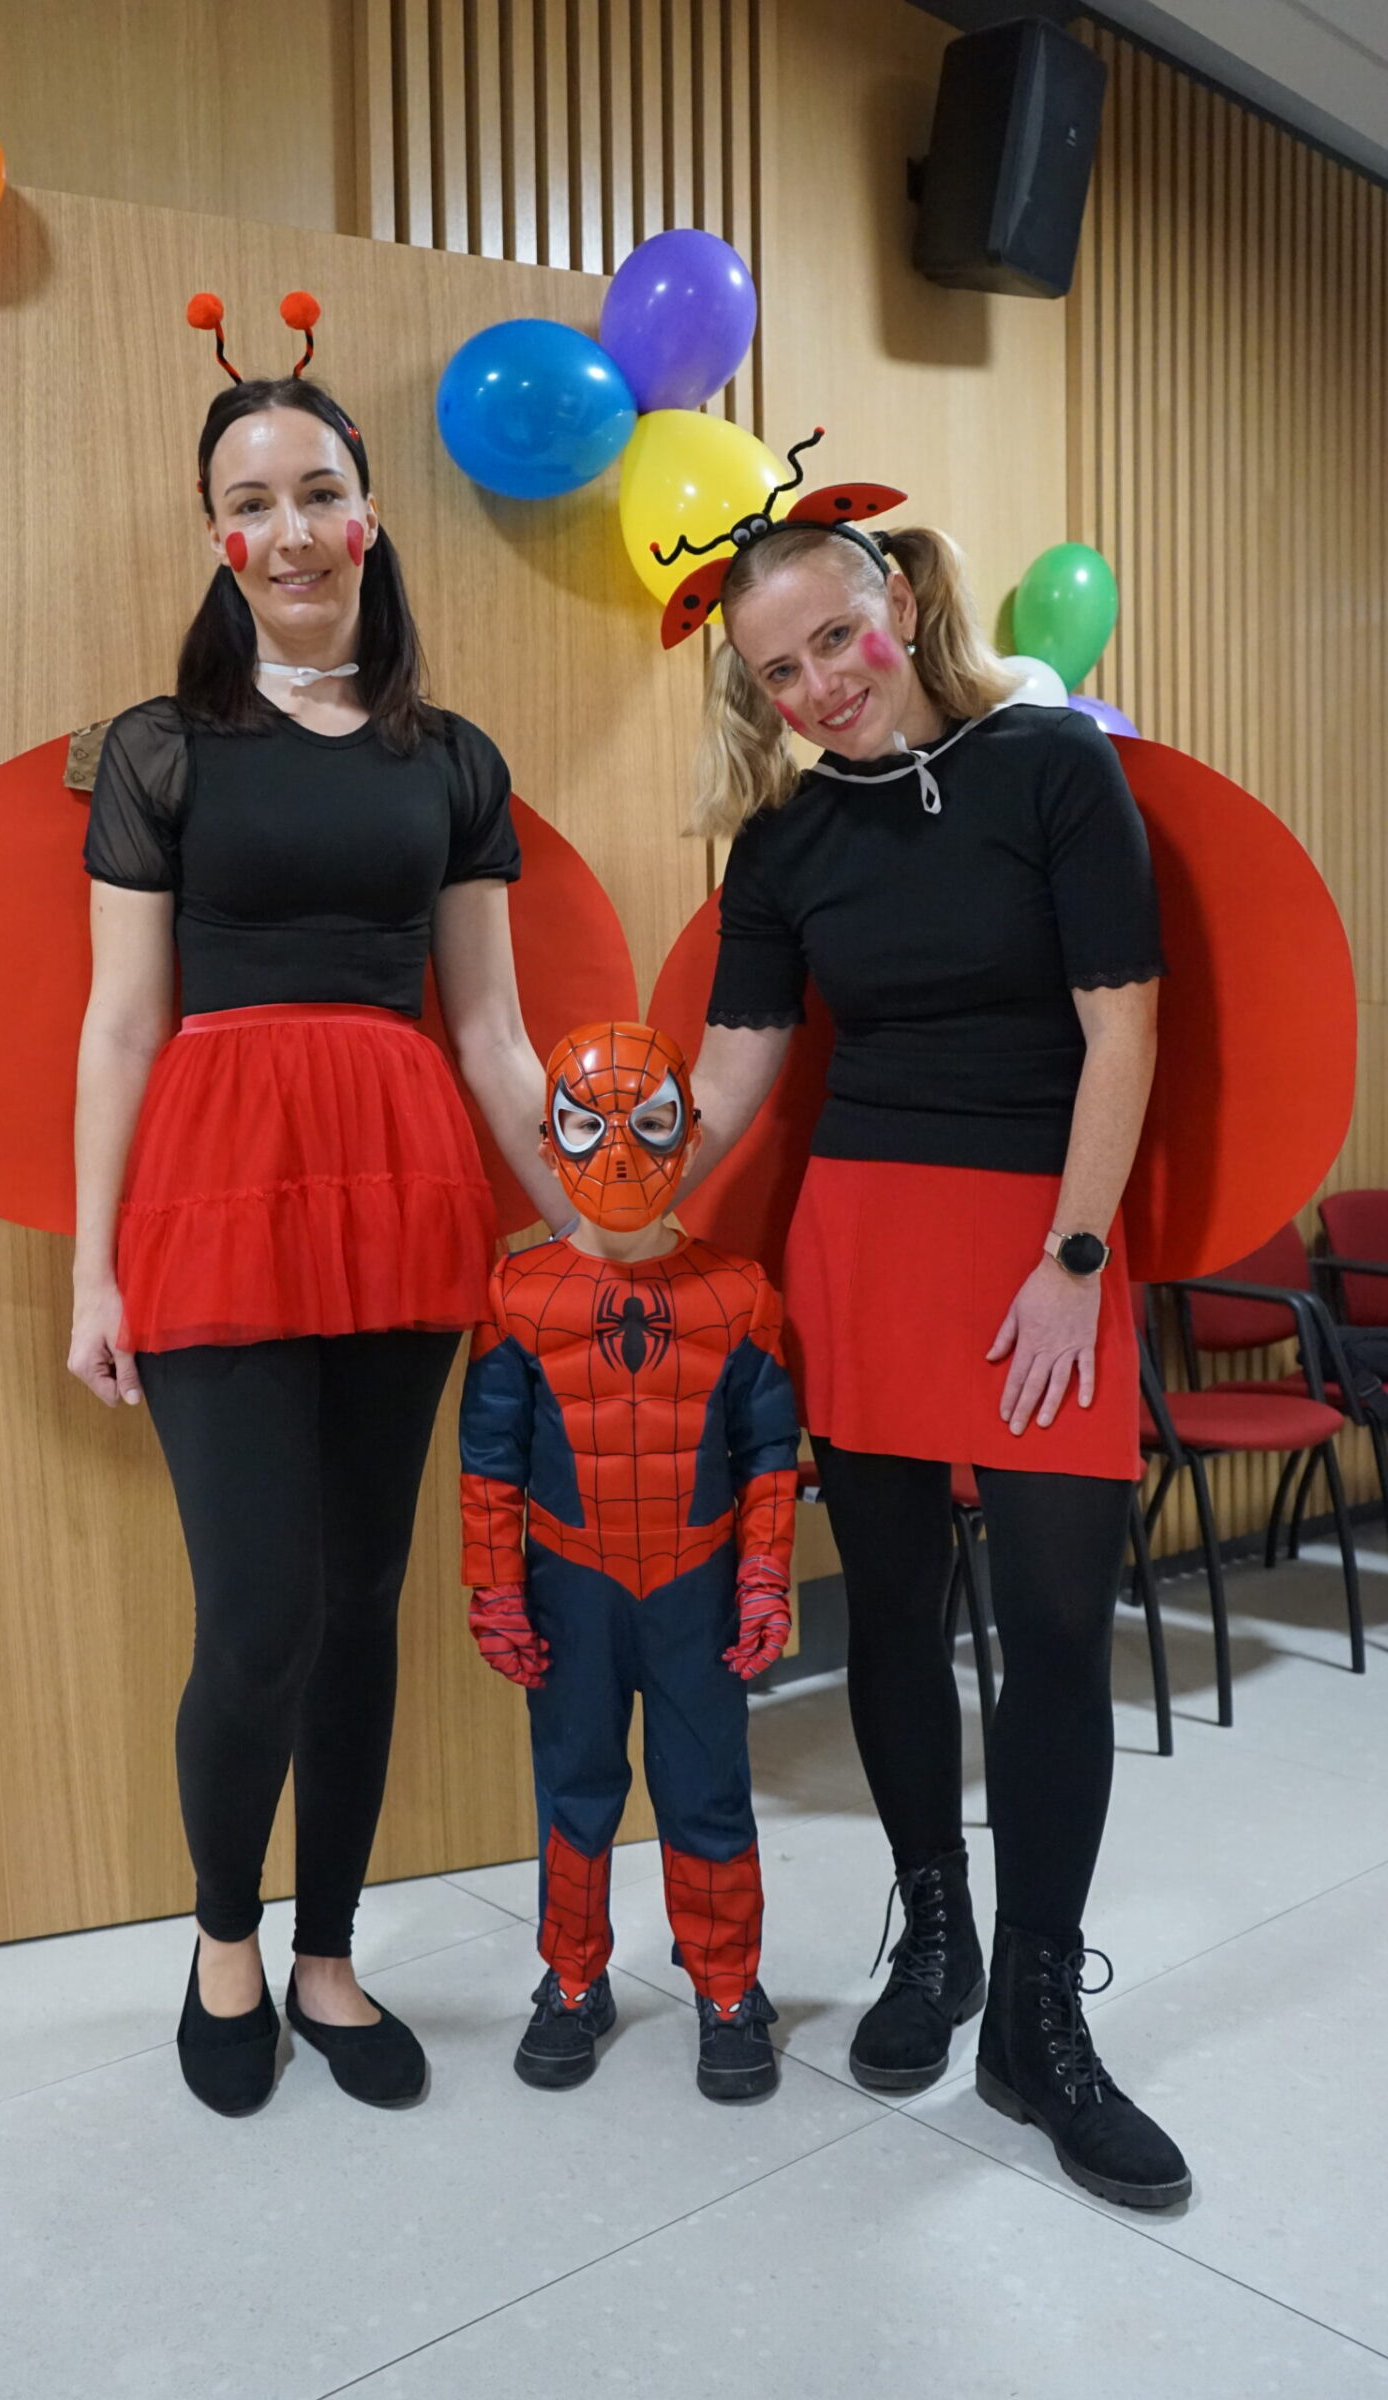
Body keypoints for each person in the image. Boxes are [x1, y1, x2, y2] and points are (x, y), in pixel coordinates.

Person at [674, 454, 1191, 2208]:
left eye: (838, 638)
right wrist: (602, 1194)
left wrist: (1072, 1256)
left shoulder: (1051, 766)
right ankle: (938, 1936)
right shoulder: (784, 843)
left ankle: (1040, 2021)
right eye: (782, 671)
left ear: (893, 600)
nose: (821, 685)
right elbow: (733, 1074)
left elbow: (1123, 1030)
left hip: (1046, 1236)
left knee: (1053, 1631)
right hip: (865, 1242)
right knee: (891, 1614)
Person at [68, 294, 562, 2118]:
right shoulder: (159, 747)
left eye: (317, 493)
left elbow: (491, 1030)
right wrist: (91, 1271)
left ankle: (332, 1955)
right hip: (214, 1190)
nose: (288, 530)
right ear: (218, 537)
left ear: (367, 517)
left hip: (403, 1190)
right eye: (250, 501)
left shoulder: (454, 757)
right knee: (259, 1611)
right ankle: (224, 1940)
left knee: (363, 1600)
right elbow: (122, 1024)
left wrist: (593, 1219)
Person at [459, 1022, 801, 2101]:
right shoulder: (516, 1295)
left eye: (649, 1125)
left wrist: (763, 1577)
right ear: (549, 1142)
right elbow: (487, 1462)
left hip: (698, 1589)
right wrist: (494, 1588)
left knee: (708, 1792)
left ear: (688, 1136)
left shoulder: (740, 1292)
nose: (619, 1155)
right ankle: (572, 1979)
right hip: (570, 1588)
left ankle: (727, 1987)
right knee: (575, 1788)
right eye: (587, 1127)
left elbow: (771, 1457)